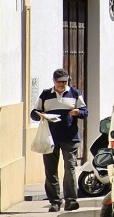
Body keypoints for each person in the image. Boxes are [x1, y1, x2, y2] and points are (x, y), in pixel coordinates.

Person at [30, 67, 87, 212]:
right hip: (50, 138)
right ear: (54, 81)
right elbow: (34, 113)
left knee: (70, 169)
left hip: (70, 137)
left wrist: (78, 112)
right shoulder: (45, 94)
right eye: (59, 81)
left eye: (64, 81)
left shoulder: (75, 93)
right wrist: (40, 115)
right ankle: (55, 202)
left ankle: (71, 201)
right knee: (50, 171)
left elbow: (85, 111)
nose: (62, 84)